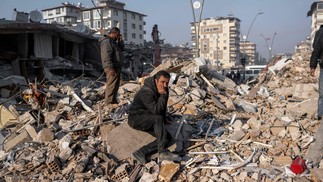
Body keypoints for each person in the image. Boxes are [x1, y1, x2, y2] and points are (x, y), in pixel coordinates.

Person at [128, 70, 181, 164]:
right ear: (156, 81)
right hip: (136, 118)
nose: (164, 85)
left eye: (166, 82)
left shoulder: (164, 89)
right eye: (162, 82)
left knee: (166, 138)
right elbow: (156, 111)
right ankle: (162, 152)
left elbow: (163, 107)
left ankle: (140, 152)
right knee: (158, 118)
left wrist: (164, 119)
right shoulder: (146, 92)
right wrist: (163, 96)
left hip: (149, 117)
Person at [99, 27, 124, 108]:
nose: (117, 37)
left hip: (116, 67)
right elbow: (107, 56)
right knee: (111, 84)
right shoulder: (107, 41)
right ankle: (108, 102)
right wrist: (110, 68)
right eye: (117, 35)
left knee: (116, 85)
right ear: (113, 33)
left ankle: (113, 101)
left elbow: (121, 49)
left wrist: (121, 41)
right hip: (112, 67)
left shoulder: (113, 42)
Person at [310, 25, 323, 120]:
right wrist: (313, 66)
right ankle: (320, 115)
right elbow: (317, 49)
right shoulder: (321, 33)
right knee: (322, 93)